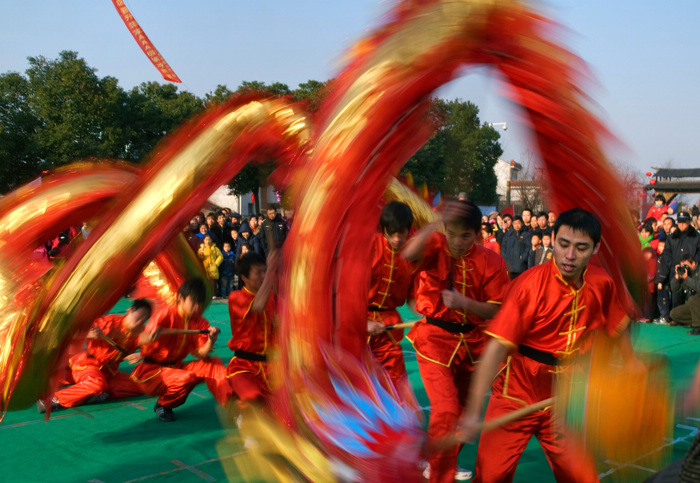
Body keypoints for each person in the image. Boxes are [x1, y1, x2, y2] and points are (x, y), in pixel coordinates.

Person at [460, 208, 637, 483]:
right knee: (490, 476)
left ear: (595, 247)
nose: (569, 255)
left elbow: (618, 323)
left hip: (564, 399)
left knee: (583, 478)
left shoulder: (601, 282)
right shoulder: (529, 285)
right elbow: (496, 349)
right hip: (516, 394)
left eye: (581, 248)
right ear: (552, 239)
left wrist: (631, 362)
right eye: (563, 244)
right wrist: (472, 413)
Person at [403, 200, 509, 483]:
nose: (458, 242)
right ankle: (440, 474)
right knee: (446, 409)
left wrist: (465, 303)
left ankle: (437, 462)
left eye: (466, 236)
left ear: (478, 234)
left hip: (474, 344)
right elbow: (408, 253)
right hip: (434, 340)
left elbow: (497, 309)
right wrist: (434, 225)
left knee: (463, 417)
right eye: (452, 233)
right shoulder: (435, 247)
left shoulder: (492, 261)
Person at [130, 278, 232, 422]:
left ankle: (233, 407)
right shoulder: (164, 315)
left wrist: (210, 340)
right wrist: (150, 337)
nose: (197, 307)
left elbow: (201, 354)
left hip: (175, 368)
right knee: (185, 378)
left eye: (200, 303)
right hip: (151, 372)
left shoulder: (200, 322)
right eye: (193, 302)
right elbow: (143, 340)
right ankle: (162, 405)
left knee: (213, 363)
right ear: (180, 298)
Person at [39, 299, 153, 412]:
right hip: (87, 364)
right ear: (130, 310)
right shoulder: (109, 322)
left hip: (108, 372)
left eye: (143, 320)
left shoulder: (140, 332)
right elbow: (68, 333)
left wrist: (141, 355)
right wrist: (88, 334)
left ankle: (97, 395)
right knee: (97, 384)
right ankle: (53, 400)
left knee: (143, 383)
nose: (139, 322)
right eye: (138, 318)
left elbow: (155, 349)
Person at [366, 202, 416, 396]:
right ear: (383, 229)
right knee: (357, 386)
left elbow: (415, 297)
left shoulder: (412, 254)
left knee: (397, 384)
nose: (397, 239)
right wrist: (362, 323)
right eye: (391, 233)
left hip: (389, 327)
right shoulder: (368, 247)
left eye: (401, 233)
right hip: (355, 327)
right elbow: (344, 292)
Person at [226, 252, 277, 404]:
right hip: (243, 367)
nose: (262, 276)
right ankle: (238, 402)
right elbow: (258, 306)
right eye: (258, 272)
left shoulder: (274, 298)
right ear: (244, 278)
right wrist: (271, 272)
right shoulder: (236, 297)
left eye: (264, 271)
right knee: (253, 398)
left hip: (271, 369)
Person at [656, 211, 700, 324]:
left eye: (684, 222)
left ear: (689, 222)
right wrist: (672, 266)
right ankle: (677, 318)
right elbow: (666, 255)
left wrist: (693, 265)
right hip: (675, 270)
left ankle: (693, 318)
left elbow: (699, 254)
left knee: (692, 296)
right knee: (676, 293)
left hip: (693, 271)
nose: (681, 224)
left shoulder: (696, 236)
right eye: (679, 222)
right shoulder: (672, 237)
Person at [670, 254, 700, 334]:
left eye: (686, 265)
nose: (685, 268)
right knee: (674, 314)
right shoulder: (685, 274)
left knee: (693, 299)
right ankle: (695, 321)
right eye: (682, 266)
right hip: (694, 306)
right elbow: (674, 289)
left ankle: (697, 327)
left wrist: (687, 279)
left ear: (693, 263)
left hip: (696, 301)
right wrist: (677, 277)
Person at [501, 215, 530, 279]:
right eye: (515, 223)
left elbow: (528, 248)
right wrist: (505, 257)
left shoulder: (526, 234)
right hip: (510, 265)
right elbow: (503, 247)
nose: (516, 225)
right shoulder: (508, 234)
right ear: (512, 224)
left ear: (522, 223)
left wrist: (523, 258)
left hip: (521, 265)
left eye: (518, 223)